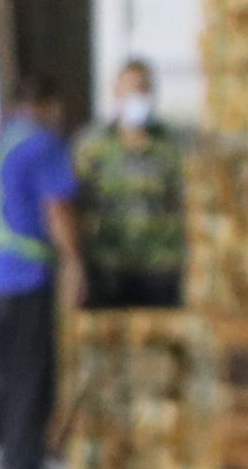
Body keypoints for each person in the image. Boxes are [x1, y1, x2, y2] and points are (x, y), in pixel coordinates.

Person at [0, 69, 82, 469]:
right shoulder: (44, 146)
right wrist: (75, 260)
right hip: (26, 276)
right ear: (48, 106)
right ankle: (21, 463)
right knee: (30, 374)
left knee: (1, 373)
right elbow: (56, 209)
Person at [76, 56, 187, 310]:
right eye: (131, 89)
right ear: (117, 93)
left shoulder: (171, 147)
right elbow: (78, 202)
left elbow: (185, 202)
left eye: (144, 89)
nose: (138, 96)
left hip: (160, 267)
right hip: (109, 266)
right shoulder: (93, 146)